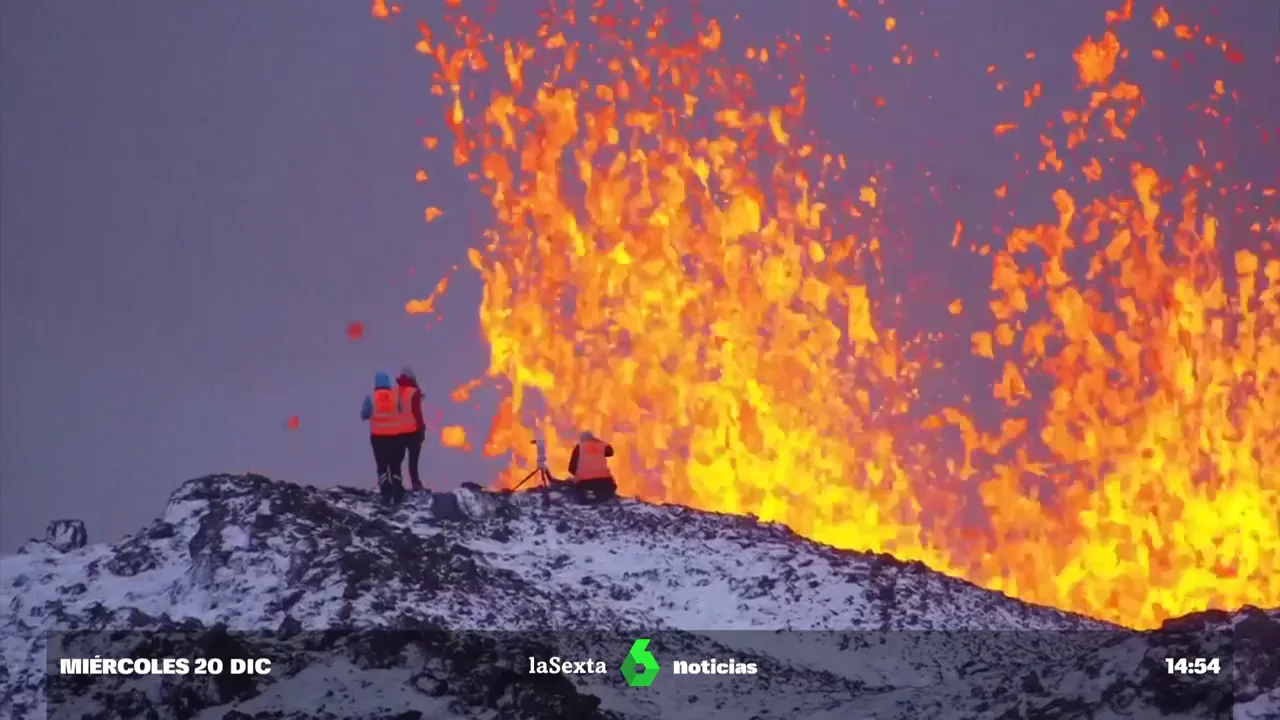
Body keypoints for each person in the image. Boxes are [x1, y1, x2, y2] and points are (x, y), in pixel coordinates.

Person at [360, 371, 416, 504]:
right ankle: (398, 492)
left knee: (382, 466)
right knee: (395, 466)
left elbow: (364, 414)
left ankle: (386, 493)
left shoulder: (371, 398)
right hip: (397, 438)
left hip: (378, 439)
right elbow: (406, 413)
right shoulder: (397, 397)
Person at [395, 366, 427, 491]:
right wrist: (422, 429)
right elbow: (417, 413)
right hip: (414, 431)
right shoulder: (414, 392)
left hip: (398, 431)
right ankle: (415, 484)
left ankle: (396, 485)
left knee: (397, 460)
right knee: (413, 459)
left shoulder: (395, 392)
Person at [567, 431, 617, 504]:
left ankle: (584, 502)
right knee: (607, 493)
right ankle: (604, 499)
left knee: (577, 492)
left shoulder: (579, 447)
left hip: (584, 481)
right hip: (605, 480)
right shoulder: (601, 445)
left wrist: (577, 475)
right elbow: (610, 452)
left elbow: (571, 468)